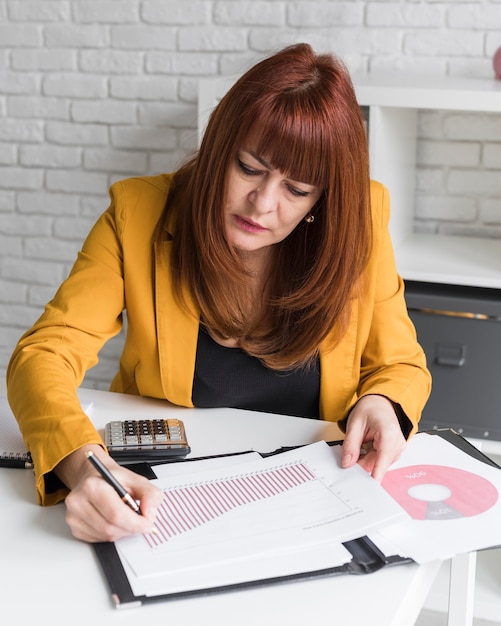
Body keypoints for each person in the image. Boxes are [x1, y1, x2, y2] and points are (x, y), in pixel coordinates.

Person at [6, 43, 431, 543]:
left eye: (297, 190)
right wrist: (84, 466)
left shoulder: (359, 220)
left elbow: (400, 365)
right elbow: (44, 354)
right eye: (249, 168)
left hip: (314, 493)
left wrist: (383, 402)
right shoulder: (136, 214)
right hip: (166, 494)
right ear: (218, 148)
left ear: (323, 199)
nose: (263, 202)